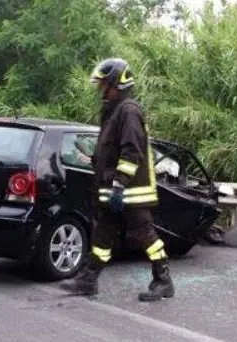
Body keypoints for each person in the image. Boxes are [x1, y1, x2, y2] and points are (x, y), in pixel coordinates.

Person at [59, 57, 175, 302]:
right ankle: (88, 280)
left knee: (145, 235)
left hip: (130, 190)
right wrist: (92, 159)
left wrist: (120, 183)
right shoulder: (113, 112)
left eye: (104, 84)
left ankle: (163, 280)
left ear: (116, 85)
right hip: (114, 189)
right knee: (102, 236)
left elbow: (132, 150)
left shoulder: (129, 111)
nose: (101, 89)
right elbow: (110, 152)